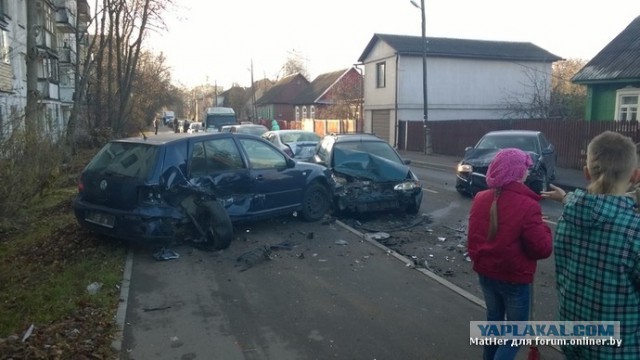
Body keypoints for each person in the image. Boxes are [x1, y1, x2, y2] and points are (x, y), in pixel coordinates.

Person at [542, 131, 640, 359]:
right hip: (619, 350)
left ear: (586, 173)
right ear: (635, 175)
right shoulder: (634, 230)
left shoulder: (568, 216)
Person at [467, 148, 552, 360]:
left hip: (486, 273)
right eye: (525, 168)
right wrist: (545, 229)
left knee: (494, 322)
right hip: (514, 279)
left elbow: (474, 236)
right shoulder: (528, 205)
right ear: (518, 173)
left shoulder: (481, 198)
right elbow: (541, 249)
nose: (527, 172)